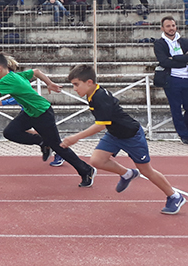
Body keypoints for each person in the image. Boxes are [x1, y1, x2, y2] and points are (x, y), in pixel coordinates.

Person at [0, 53, 97, 188]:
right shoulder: (14, 75)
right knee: (10, 132)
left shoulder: (7, 79)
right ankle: (42, 141)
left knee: (58, 146)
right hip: (30, 113)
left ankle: (86, 170)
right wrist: (49, 83)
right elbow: (36, 72)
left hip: (42, 113)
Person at [63, 64, 185, 214]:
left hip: (132, 135)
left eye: (76, 84)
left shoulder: (100, 97)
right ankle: (127, 173)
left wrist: (75, 138)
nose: (74, 89)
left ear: (89, 82)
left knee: (147, 171)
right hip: (114, 134)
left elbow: (100, 126)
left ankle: (174, 196)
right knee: (97, 161)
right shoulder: (92, 94)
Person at [153, 16, 188, 145]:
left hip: (186, 79)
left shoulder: (184, 42)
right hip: (172, 80)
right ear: (162, 28)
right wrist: (184, 60)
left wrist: (174, 58)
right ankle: (184, 135)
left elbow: (170, 60)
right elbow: (164, 61)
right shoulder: (159, 44)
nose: (171, 28)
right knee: (176, 109)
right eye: (168, 26)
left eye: (173, 25)